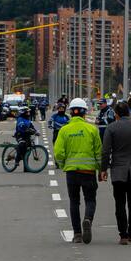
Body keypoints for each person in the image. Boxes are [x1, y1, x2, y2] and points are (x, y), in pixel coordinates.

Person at [100, 100, 131, 244]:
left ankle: (122, 234)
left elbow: (105, 151)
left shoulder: (111, 128)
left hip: (118, 172)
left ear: (116, 114)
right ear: (129, 112)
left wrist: (103, 169)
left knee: (120, 204)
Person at [54, 98, 102, 244]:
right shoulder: (92, 129)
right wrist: (100, 169)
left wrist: (63, 165)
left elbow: (58, 153)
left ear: (71, 112)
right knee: (90, 200)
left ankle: (77, 234)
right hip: (88, 172)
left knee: (74, 202)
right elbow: (99, 152)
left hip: (72, 173)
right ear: (84, 113)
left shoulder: (64, 130)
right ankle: (87, 219)